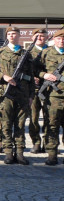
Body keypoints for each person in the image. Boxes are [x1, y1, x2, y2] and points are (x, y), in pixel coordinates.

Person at [0, 26, 36, 164]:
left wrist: (31, 95)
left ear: (19, 36)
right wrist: (3, 76)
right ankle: (8, 152)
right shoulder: (0, 52)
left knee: (20, 125)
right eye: (9, 34)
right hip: (6, 93)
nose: (11, 36)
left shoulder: (25, 54)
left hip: (23, 94)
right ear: (7, 36)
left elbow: (31, 76)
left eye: (14, 34)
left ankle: (20, 152)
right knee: (6, 123)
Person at [37, 29, 64, 165]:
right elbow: (35, 68)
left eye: (63, 38)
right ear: (54, 39)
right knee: (51, 125)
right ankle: (52, 154)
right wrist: (44, 75)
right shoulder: (46, 53)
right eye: (59, 38)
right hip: (52, 97)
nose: (62, 41)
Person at [28, 29, 48, 153]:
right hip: (33, 89)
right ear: (32, 38)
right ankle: (36, 142)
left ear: (47, 37)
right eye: (37, 36)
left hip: (49, 89)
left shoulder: (51, 51)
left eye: (42, 36)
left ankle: (48, 142)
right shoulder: (28, 52)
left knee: (49, 118)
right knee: (33, 118)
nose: (39, 38)